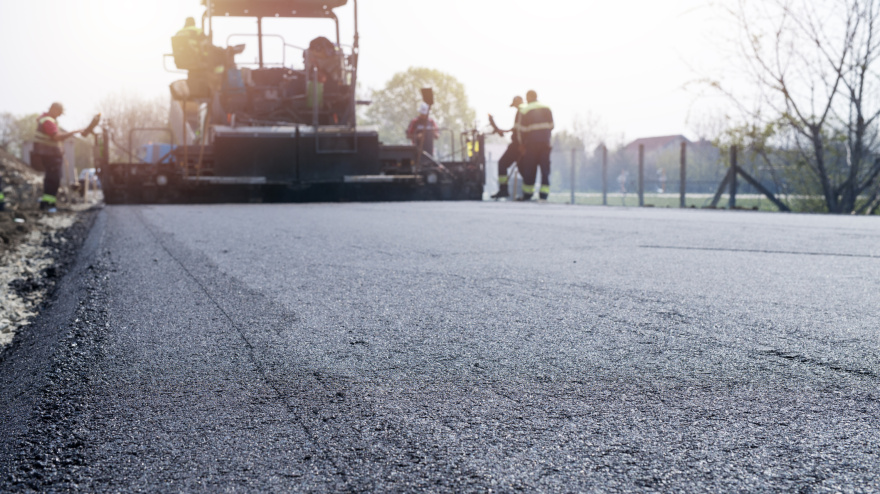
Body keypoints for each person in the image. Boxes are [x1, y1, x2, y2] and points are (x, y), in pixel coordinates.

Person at [32, 103, 82, 212]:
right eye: (59, 113)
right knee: (53, 179)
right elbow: (56, 137)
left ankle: (48, 203)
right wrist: (73, 132)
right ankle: (48, 205)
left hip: (50, 156)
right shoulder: (48, 121)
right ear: (53, 109)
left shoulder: (45, 119)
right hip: (50, 156)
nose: (59, 115)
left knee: (52, 179)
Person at [515, 90, 554, 201]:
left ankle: (528, 194)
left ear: (528, 97)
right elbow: (551, 126)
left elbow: (521, 130)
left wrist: (522, 144)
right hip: (545, 143)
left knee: (530, 169)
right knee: (545, 169)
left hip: (531, 144)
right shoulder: (547, 108)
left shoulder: (525, 110)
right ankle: (544, 195)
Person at [488, 95, 524, 199]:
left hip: (517, 144)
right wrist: (505, 131)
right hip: (520, 144)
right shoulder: (522, 112)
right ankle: (526, 193)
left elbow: (519, 130)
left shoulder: (521, 112)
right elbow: (516, 128)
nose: (515, 107)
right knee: (522, 168)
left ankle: (504, 189)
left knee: (502, 164)